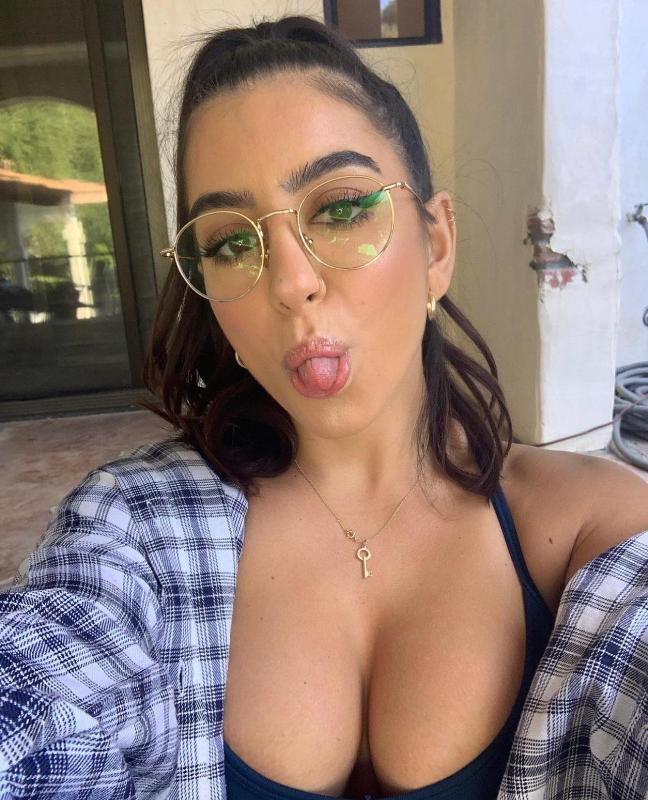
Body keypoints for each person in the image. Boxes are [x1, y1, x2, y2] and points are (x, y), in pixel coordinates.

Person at [0, 15, 646, 800]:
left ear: (437, 245)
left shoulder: (592, 530)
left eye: (339, 210)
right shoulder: (131, 533)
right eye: (231, 242)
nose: (290, 283)